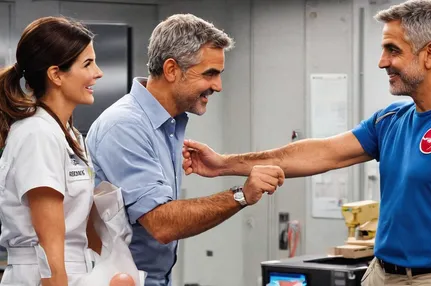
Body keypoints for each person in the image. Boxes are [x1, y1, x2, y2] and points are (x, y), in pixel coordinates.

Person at [182, 0, 431, 285]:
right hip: (381, 273)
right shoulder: (391, 119)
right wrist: (223, 164)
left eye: (393, 50)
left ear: (430, 53)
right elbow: (320, 153)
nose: (382, 62)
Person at [85, 13, 285, 286]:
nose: (218, 86)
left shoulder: (169, 125)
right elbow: (163, 223)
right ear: (171, 70)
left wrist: (225, 165)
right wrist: (241, 195)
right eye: (209, 74)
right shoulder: (124, 126)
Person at [0, 17, 104, 285]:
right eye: (88, 64)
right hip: (43, 274)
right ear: (56, 74)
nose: (98, 73)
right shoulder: (37, 134)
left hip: (75, 269)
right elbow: (50, 244)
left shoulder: (70, 135)